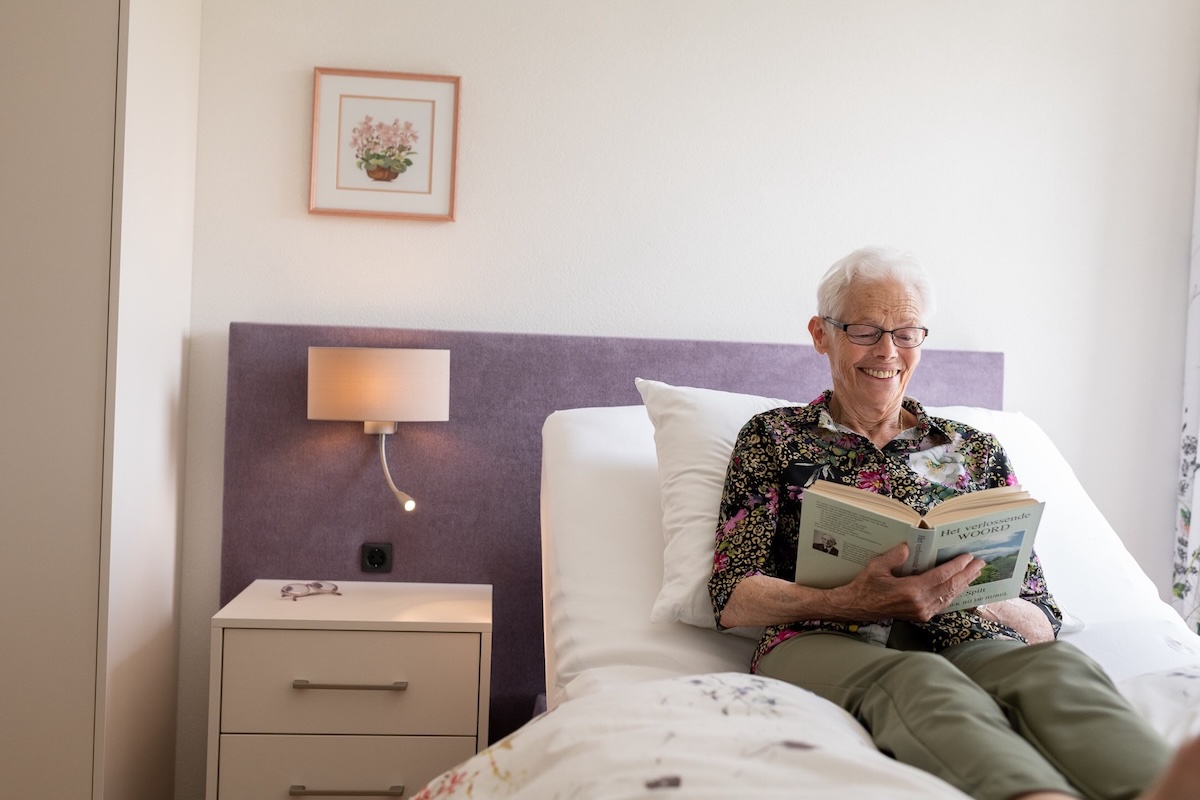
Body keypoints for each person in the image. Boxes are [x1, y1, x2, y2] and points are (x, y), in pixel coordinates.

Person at [708, 245, 1200, 800]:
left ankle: (1164, 790)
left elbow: (1040, 619)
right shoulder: (773, 437)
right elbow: (734, 597)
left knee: (1053, 669)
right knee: (921, 681)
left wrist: (956, 591)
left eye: (906, 332)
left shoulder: (974, 452)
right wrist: (853, 600)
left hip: (967, 635)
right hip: (822, 637)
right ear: (822, 334)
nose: (888, 351)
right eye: (865, 330)